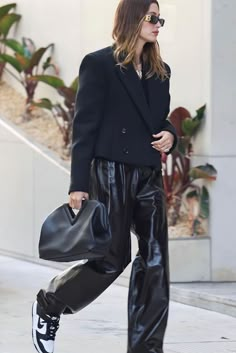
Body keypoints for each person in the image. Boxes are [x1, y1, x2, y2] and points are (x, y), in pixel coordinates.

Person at [31, 1, 178, 352]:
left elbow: (158, 119)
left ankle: (146, 348)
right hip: (110, 169)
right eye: (152, 18)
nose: (158, 25)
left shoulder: (161, 71)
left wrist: (171, 133)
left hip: (147, 173)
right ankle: (50, 303)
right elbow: (84, 127)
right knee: (112, 259)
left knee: (156, 259)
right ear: (132, 19)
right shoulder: (99, 64)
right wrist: (78, 184)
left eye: (161, 19)